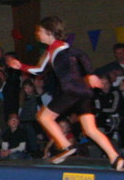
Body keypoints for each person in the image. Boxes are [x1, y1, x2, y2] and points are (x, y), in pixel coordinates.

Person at [7, 16, 123, 170]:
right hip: (84, 92)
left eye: (39, 31)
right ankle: (116, 158)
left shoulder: (58, 46)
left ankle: (66, 146)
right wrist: (21, 66)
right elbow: (42, 70)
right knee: (90, 129)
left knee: (43, 116)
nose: (37, 34)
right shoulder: (54, 49)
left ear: (49, 32)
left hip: (72, 90)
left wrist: (90, 74)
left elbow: (80, 55)